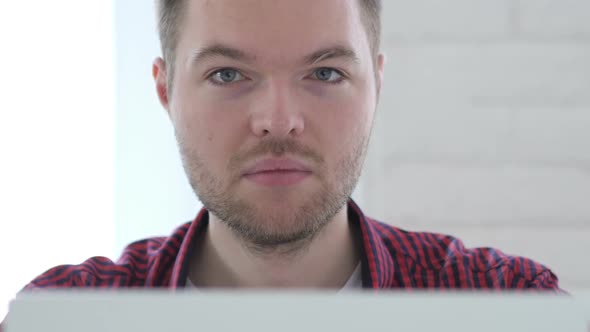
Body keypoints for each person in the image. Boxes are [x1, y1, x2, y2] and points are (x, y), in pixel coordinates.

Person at [9, 0, 563, 293]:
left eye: (324, 73)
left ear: (377, 84)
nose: (278, 122)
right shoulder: (67, 313)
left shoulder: (503, 303)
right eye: (228, 75)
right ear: (164, 90)